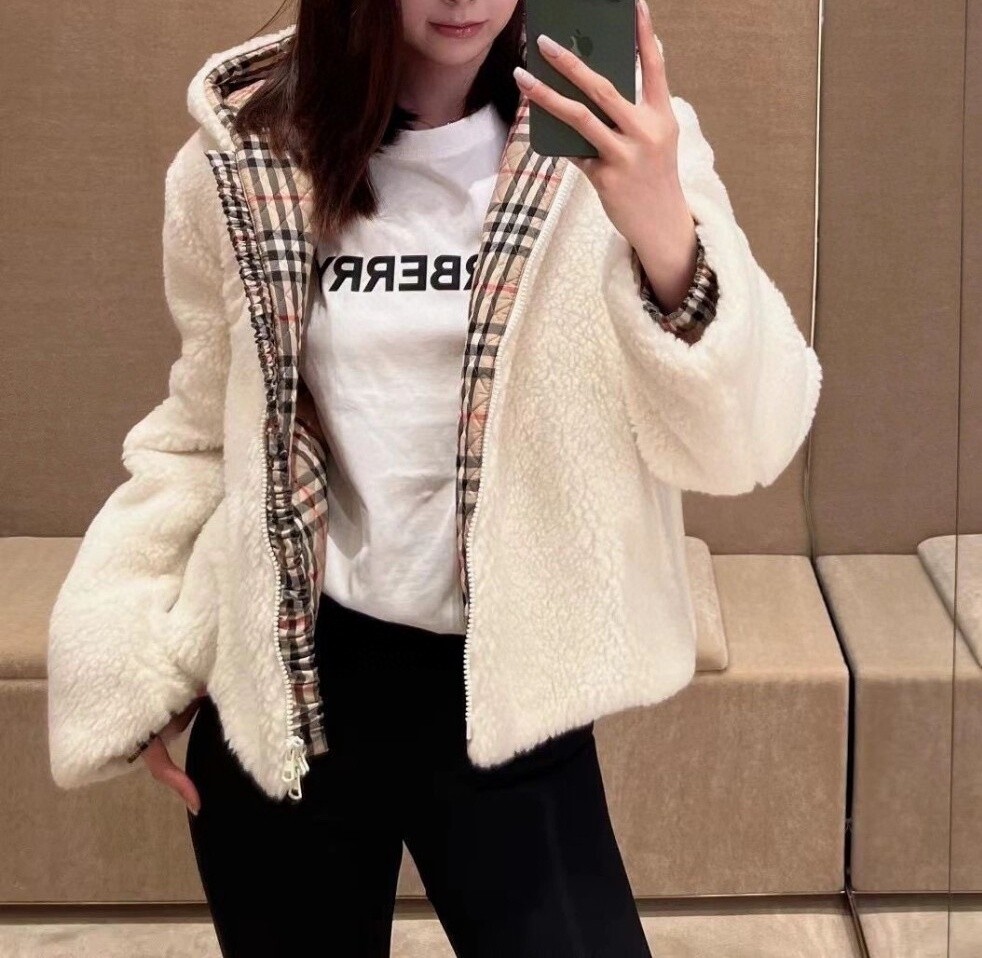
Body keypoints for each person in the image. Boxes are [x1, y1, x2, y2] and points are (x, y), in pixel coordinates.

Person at [46, 0, 822, 955]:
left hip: (510, 692)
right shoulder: (247, 156)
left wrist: (663, 226)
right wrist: (139, 651)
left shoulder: (611, 135)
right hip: (298, 692)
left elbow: (747, 446)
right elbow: (206, 430)